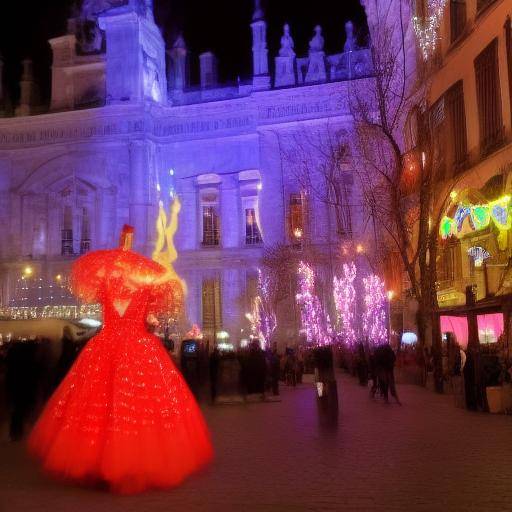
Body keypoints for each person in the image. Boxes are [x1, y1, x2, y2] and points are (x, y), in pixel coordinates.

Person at [28, 217, 213, 494]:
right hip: (140, 347)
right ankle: (134, 461)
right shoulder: (147, 288)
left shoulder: (105, 286)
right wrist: (149, 322)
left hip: (106, 346)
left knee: (97, 405)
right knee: (141, 407)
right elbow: (153, 319)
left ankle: (97, 461)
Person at [6, 338, 39, 441]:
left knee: (17, 411)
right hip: (25, 386)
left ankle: (15, 432)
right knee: (22, 409)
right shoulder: (30, 361)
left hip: (16, 386)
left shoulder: (13, 361)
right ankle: (20, 431)